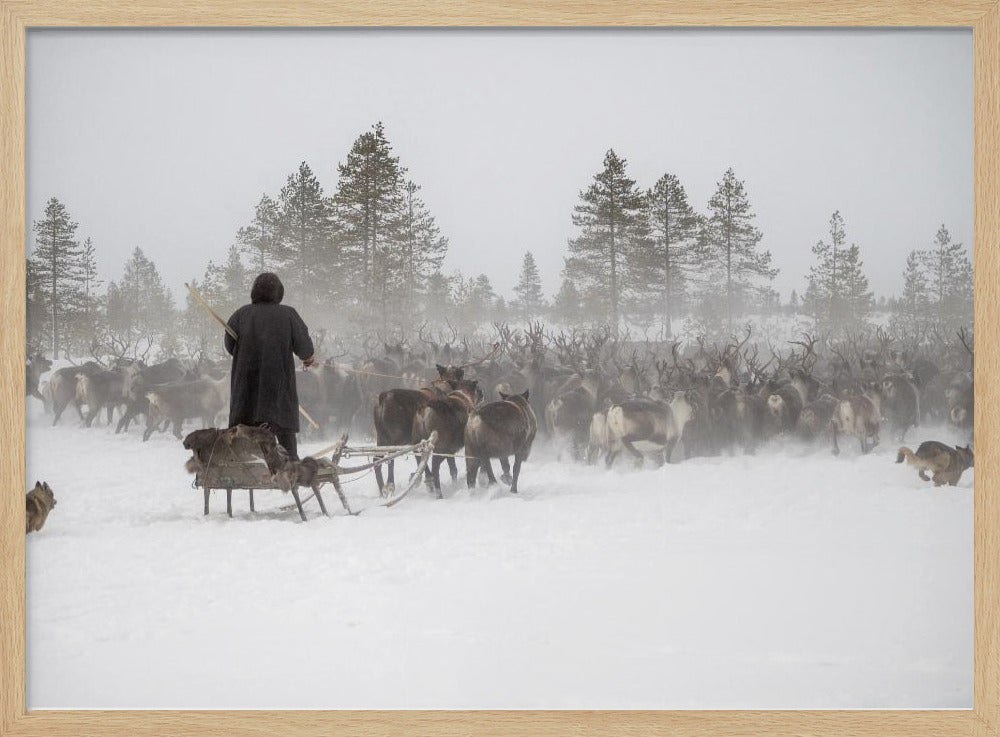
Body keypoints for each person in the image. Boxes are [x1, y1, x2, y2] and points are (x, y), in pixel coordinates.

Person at [225, 273, 314, 460]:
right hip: (278, 390)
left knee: (242, 435)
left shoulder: (240, 315)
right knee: (285, 441)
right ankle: (290, 468)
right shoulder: (288, 314)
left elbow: (229, 346)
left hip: (246, 391)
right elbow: (305, 349)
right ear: (279, 292)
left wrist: (248, 355)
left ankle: (242, 466)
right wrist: (308, 359)